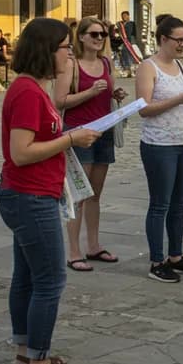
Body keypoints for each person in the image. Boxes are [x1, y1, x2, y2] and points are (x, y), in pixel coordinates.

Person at [0, 17, 98, 364]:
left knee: (26, 276)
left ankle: (26, 352)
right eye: (65, 48)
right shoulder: (26, 92)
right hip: (29, 196)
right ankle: (39, 363)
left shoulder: (34, 88)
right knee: (50, 280)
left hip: (31, 193)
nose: (69, 55)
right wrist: (70, 140)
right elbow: (21, 152)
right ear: (46, 50)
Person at [137, 14, 183, 283]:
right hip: (159, 144)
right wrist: (180, 98)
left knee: (179, 205)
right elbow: (143, 108)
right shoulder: (149, 67)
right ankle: (157, 260)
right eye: (179, 40)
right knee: (160, 204)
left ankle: (176, 256)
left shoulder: (179, 66)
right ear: (163, 39)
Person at [52, 17, 128, 272]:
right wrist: (90, 92)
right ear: (81, 36)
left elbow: (108, 92)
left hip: (103, 131)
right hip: (78, 133)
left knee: (95, 193)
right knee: (78, 195)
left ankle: (93, 245)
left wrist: (114, 94)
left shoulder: (106, 63)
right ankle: (73, 251)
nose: (99, 39)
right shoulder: (71, 65)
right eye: (94, 34)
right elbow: (59, 101)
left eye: (103, 35)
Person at [115, 12, 137, 77]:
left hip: (130, 43)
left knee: (131, 56)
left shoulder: (132, 23)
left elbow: (134, 34)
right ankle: (126, 71)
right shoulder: (119, 24)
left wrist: (133, 43)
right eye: (122, 16)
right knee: (123, 56)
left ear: (128, 16)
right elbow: (116, 32)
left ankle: (132, 71)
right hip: (122, 43)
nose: (123, 17)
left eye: (125, 15)